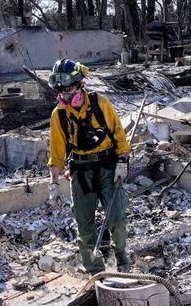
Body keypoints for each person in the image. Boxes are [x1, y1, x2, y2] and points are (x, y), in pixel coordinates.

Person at [46, 59, 131, 274]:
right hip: (81, 172)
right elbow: (56, 155)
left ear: (79, 85)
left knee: (117, 219)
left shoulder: (99, 104)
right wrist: (53, 184)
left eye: (69, 90)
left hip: (107, 167)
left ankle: (121, 256)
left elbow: (120, 137)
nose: (65, 96)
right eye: (61, 93)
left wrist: (122, 163)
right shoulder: (59, 115)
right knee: (84, 226)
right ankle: (95, 271)